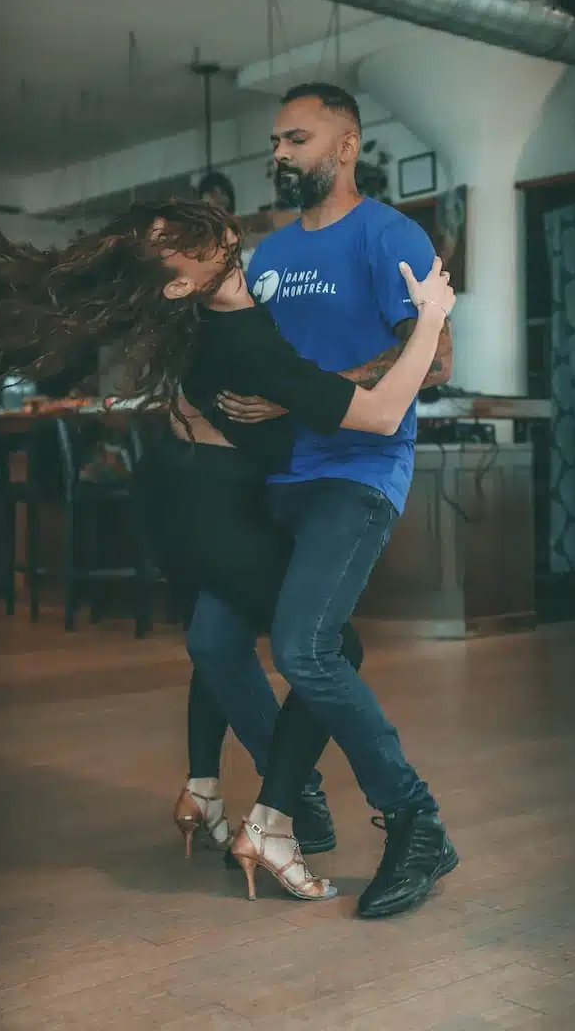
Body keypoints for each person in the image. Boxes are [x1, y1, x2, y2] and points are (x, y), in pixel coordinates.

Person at [0, 197, 453, 906]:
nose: (206, 236)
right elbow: (382, 412)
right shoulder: (240, 336)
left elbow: (298, 380)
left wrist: (298, 393)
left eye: (196, 227)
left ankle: (269, 803)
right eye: (179, 244)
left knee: (218, 639)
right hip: (207, 504)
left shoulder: (231, 311)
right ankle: (344, 808)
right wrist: (428, 317)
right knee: (316, 650)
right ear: (178, 284)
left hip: (211, 497)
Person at [183, 81, 458, 919]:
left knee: (303, 650)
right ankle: (289, 793)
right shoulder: (264, 259)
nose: (279, 154)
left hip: (355, 472)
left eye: (295, 139)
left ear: (345, 145)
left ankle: (416, 821)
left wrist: (308, 393)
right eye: (275, 142)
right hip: (273, 477)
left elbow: (433, 360)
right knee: (213, 640)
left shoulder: (389, 235)